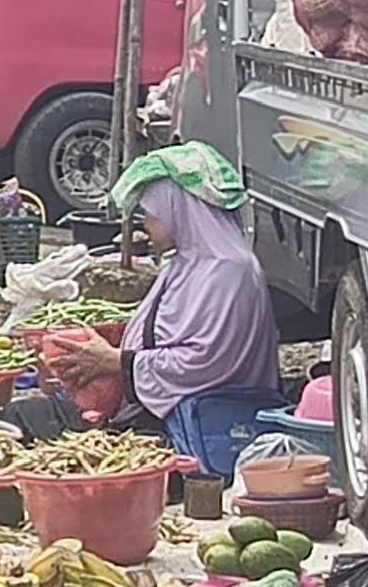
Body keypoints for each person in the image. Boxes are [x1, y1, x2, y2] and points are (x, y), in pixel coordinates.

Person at [35, 145, 283, 476]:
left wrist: (114, 361)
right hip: (162, 408)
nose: (146, 227)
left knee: (39, 427)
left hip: (194, 425)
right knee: (27, 415)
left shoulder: (228, 272)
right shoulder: (187, 264)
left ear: (179, 211)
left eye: (152, 215)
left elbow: (205, 363)